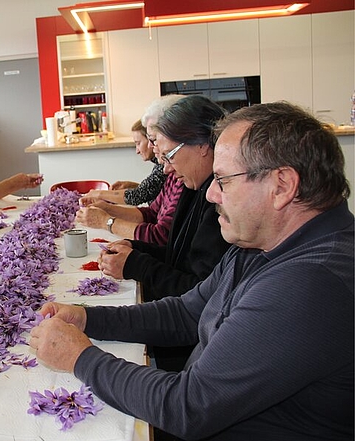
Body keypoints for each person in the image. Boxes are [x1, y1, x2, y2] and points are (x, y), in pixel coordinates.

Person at [30, 102, 353, 441]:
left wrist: (80, 357)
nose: (211, 193)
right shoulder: (261, 243)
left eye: (223, 180)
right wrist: (88, 319)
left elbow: (188, 407)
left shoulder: (311, 282)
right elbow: (186, 313)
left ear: (282, 186)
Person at [98, 95, 231, 372]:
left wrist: (136, 262)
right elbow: (177, 253)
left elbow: (197, 298)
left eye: (168, 154)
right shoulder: (194, 185)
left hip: (190, 348)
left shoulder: (216, 201)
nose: (166, 168)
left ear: (204, 146)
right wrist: (137, 248)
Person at [75, 124, 184, 245]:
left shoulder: (179, 177)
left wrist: (105, 221)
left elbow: (160, 236)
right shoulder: (171, 173)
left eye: (153, 140)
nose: (151, 147)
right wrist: (106, 208)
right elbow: (152, 213)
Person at [84, 120, 166, 206]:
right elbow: (152, 191)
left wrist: (99, 194)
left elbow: (137, 196)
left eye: (138, 143)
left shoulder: (163, 167)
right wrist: (132, 186)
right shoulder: (159, 164)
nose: (137, 151)